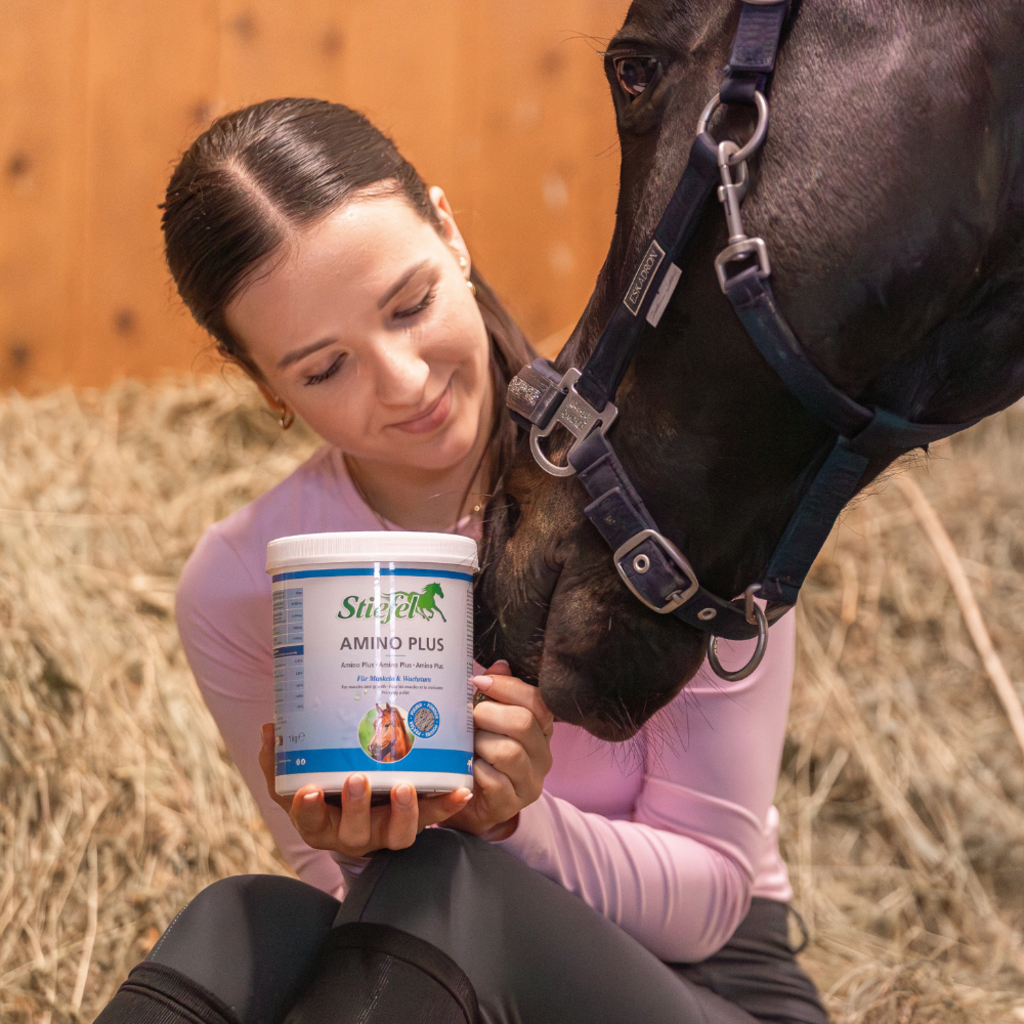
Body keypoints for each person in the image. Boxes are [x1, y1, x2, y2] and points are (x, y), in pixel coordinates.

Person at [96, 98, 828, 1024]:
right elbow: (343, 909)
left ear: (450, 232)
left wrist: (516, 825)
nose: (404, 383)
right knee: (243, 917)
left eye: (411, 306)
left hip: (706, 990)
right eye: (324, 369)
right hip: (421, 984)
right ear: (265, 386)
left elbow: (713, 901)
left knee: (449, 882)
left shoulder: (668, 487)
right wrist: (360, 846)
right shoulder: (243, 585)